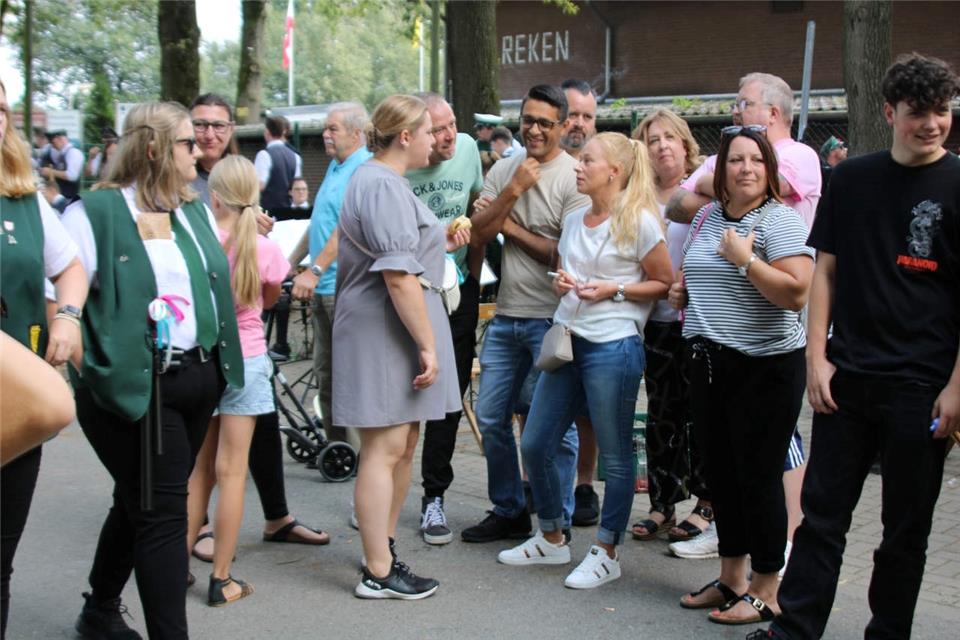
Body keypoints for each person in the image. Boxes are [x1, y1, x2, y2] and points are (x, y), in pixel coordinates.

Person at [749, 53, 960, 640]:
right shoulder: (853, 178)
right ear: (891, 112)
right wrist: (818, 360)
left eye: (941, 112)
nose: (932, 124)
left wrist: (956, 388)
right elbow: (827, 274)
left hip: (923, 387)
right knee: (821, 518)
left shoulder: (958, 184)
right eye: (919, 113)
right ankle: (794, 629)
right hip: (848, 377)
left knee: (905, 530)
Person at [61, 101, 243, 639]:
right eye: (190, 141)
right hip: (137, 386)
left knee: (139, 496)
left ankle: (99, 610)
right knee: (165, 512)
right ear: (156, 147)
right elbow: (66, 297)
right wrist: (94, 370)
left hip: (199, 376)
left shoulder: (193, 209)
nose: (203, 148)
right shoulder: (93, 213)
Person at [499, 132, 673, 589]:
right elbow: (574, 270)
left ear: (613, 172)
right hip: (569, 342)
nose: (577, 167)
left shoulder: (639, 221)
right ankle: (552, 538)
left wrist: (614, 290)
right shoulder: (577, 219)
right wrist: (564, 283)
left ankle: (608, 550)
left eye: (587, 160)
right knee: (535, 442)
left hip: (614, 348)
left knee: (614, 459)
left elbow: (664, 283)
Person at [666, 72, 821, 563]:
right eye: (736, 161)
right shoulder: (711, 218)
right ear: (721, 174)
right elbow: (690, 246)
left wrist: (747, 261)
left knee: (758, 477)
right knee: (721, 475)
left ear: (769, 168)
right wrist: (683, 289)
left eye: (757, 160)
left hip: (765, 366)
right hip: (709, 362)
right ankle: (731, 577)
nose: (746, 168)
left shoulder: (777, 219)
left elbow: (797, 293)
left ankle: (767, 584)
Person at [333, 94, 468, 599]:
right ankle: (377, 569)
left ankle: (384, 552)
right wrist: (429, 346)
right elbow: (396, 275)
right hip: (384, 330)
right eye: (431, 131)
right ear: (406, 136)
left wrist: (441, 245)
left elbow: (404, 254)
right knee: (384, 449)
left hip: (393, 328)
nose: (438, 139)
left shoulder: (384, 182)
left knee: (402, 445)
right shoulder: (382, 184)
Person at [189, 94, 328, 565]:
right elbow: (269, 296)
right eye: (201, 125)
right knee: (220, 468)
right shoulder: (260, 248)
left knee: (214, 462)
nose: (209, 134)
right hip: (231, 351)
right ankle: (216, 561)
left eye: (218, 125)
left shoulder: (213, 236)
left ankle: (273, 519)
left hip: (219, 353)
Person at [462, 84, 590, 544]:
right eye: (528, 120)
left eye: (544, 122)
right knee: (492, 418)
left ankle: (560, 519)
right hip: (507, 315)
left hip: (551, 321)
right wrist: (511, 190)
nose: (534, 129)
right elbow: (476, 233)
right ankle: (509, 509)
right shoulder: (506, 169)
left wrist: (506, 219)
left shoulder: (575, 177)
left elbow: (563, 255)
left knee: (552, 424)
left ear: (561, 125)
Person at [0, 78, 87, 639]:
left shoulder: (22, 195)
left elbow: (71, 266)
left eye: (0, 109)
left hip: (18, 403)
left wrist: (68, 315)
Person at [186, 155, 290, 606]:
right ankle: (222, 578)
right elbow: (267, 300)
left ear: (213, 196)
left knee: (200, 473)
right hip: (247, 359)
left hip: (204, 358)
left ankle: (173, 570)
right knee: (232, 473)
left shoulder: (199, 242)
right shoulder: (265, 250)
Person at [630, 110, 713, 544]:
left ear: (685, 144)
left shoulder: (701, 190)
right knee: (662, 416)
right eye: (652, 139)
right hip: (655, 323)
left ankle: (705, 504)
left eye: (669, 137)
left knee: (700, 416)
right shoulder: (637, 195)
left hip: (698, 323)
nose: (661, 145)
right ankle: (662, 504)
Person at [405, 92, 483, 545]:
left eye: (451, 123)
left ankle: (434, 496)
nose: (448, 135)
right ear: (415, 134)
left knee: (450, 398)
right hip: (410, 290)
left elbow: (476, 202)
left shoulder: (469, 149)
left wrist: (471, 263)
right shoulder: (404, 164)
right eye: (436, 129)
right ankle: (386, 491)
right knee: (404, 393)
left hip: (458, 289)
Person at [291, 102, 372, 447]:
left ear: (357, 133)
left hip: (345, 287)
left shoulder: (364, 170)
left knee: (349, 376)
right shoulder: (335, 167)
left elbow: (345, 229)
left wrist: (315, 269)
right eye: (325, 127)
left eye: (332, 128)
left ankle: (361, 451)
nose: (325, 134)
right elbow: (319, 225)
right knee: (326, 373)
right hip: (323, 285)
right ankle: (339, 448)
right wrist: (291, 260)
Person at [558, 78, 604, 528]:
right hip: (546, 306)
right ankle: (541, 483)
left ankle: (585, 484)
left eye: (588, 116)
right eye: (573, 114)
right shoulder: (531, 164)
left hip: (599, 316)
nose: (579, 124)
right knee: (538, 404)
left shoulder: (610, 170)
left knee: (590, 408)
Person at [255, 115, 302, 213]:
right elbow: (296, 185)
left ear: (267, 132)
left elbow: (259, 185)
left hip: (268, 213)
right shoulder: (296, 156)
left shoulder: (264, 155)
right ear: (283, 132)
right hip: (289, 212)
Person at [40, 129, 84, 205]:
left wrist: (50, 172)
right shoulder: (57, 152)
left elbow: (72, 176)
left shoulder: (74, 153)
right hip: (57, 197)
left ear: (60, 139)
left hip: (70, 198)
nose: (53, 146)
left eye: (53, 142)